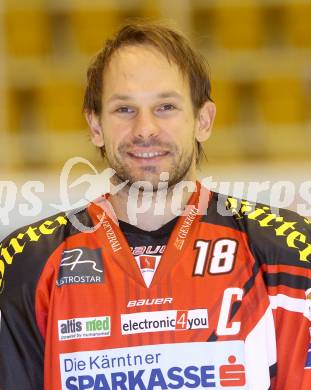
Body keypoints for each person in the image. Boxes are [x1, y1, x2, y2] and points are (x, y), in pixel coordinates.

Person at [0, 22, 310, 390]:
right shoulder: (25, 264)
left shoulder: (289, 251)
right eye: (124, 109)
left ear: (203, 120)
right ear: (95, 124)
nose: (145, 129)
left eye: (165, 106)